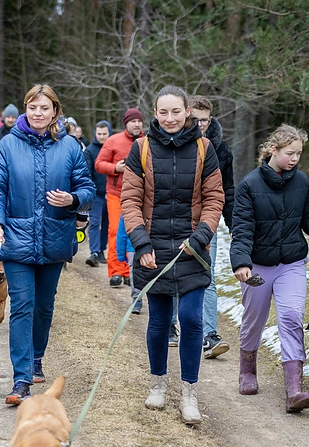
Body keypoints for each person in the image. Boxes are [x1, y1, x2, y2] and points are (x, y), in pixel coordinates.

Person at [0, 84, 95, 405]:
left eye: (44, 108)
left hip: (55, 238)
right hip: (16, 239)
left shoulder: (71, 147)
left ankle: (36, 359)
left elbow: (87, 188)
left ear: (55, 112)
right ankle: (20, 380)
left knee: (44, 306)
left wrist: (72, 198)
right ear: (25, 109)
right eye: (33, 107)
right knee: (22, 305)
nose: (38, 113)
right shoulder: (7, 145)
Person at [120, 85, 224, 425]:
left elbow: (214, 199)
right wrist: (141, 243)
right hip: (153, 249)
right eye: (163, 112)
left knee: (193, 319)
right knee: (160, 320)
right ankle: (158, 383)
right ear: (155, 113)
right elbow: (130, 201)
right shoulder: (141, 149)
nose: (169, 118)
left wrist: (202, 235)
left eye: (175, 112)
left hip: (192, 247)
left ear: (187, 113)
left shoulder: (205, 148)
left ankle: (189, 392)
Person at [230, 124, 309, 413]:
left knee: (290, 317)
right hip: (258, 267)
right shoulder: (250, 185)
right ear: (273, 150)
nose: (294, 159)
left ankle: (294, 389)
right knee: (254, 320)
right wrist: (240, 262)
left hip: (291, 262)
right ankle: (248, 371)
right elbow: (242, 230)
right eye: (290, 153)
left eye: (298, 153)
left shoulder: (302, 182)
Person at [189, 95, 236, 359]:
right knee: (175, 275)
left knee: (207, 276)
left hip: (209, 221)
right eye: (195, 120)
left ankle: (210, 334)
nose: (200, 125)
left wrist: (232, 223)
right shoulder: (174, 144)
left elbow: (227, 190)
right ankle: (173, 327)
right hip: (176, 220)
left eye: (204, 121)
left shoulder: (222, 151)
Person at [95, 107, 145, 287]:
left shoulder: (147, 141)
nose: (137, 124)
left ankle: (131, 270)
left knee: (136, 234)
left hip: (140, 196)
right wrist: (116, 168)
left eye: (139, 121)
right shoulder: (113, 141)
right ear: (126, 123)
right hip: (116, 194)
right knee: (115, 231)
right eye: (133, 121)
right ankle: (116, 271)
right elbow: (99, 164)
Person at [82, 121, 112, 267]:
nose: (101, 137)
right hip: (97, 194)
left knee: (107, 224)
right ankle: (94, 251)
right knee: (94, 222)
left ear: (109, 133)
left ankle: (101, 249)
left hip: (111, 193)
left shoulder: (113, 148)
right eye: (99, 134)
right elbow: (88, 172)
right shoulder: (90, 150)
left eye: (104, 134)